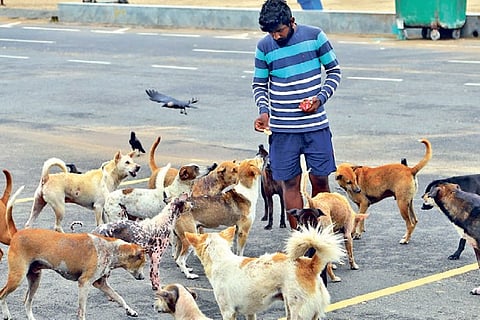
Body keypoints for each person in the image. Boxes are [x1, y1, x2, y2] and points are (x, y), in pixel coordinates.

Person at [252, 0, 341, 229]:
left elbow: (334, 71)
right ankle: (300, 239)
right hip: (283, 131)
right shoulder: (264, 47)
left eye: (279, 31)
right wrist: (264, 112)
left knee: (320, 179)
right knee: (290, 184)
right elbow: (259, 85)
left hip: (316, 126)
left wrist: (319, 99)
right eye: (271, 33)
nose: (276, 37)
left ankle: (323, 235)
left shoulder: (315, 36)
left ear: (292, 22)